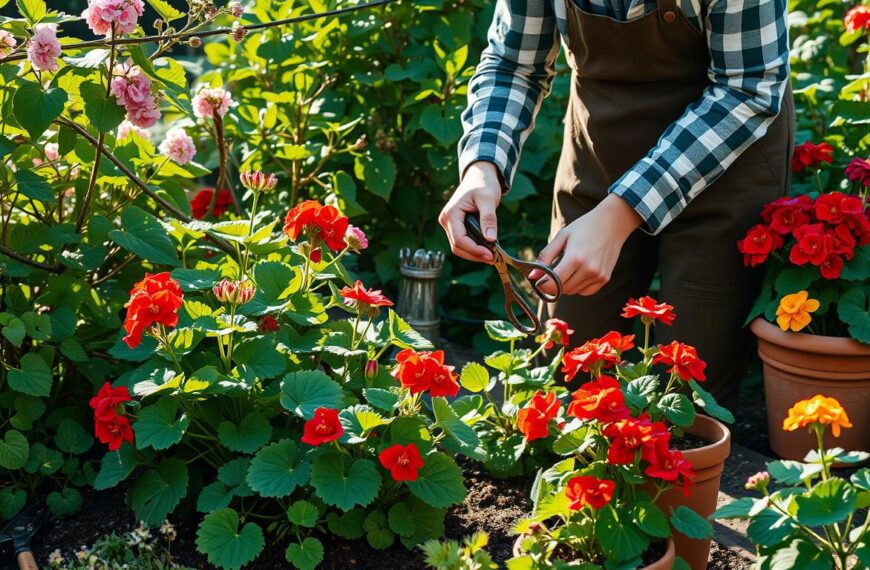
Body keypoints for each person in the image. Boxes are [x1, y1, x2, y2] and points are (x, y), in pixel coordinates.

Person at [439, 0, 794, 411]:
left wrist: (621, 213)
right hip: (602, 151)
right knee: (567, 371)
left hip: (723, 166)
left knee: (687, 400)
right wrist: (482, 167)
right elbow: (512, 63)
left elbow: (748, 89)